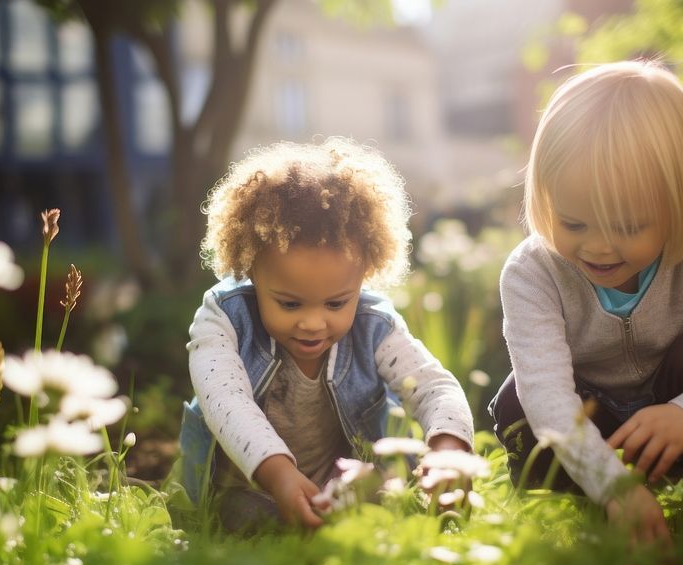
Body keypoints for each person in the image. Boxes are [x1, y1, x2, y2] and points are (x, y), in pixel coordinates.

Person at [490, 60, 683, 544]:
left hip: (679, 401)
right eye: (574, 223)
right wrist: (610, 483)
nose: (597, 247)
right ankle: (570, 518)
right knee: (518, 399)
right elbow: (548, 398)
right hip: (590, 415)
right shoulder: (533, 271)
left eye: (627, 227)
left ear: (681, 202)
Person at [181, 137, 474, 533]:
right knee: (245, 522)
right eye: (289, 304)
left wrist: (448, 450)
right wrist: (278, 474)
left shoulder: (375, 325)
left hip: (343, 484)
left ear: (364, 275)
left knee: (387, 496)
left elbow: (434, 386)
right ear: (251, 271)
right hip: (247, 488)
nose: (314, 323)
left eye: (336, 304)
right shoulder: (223, 318)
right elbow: (225, 401)